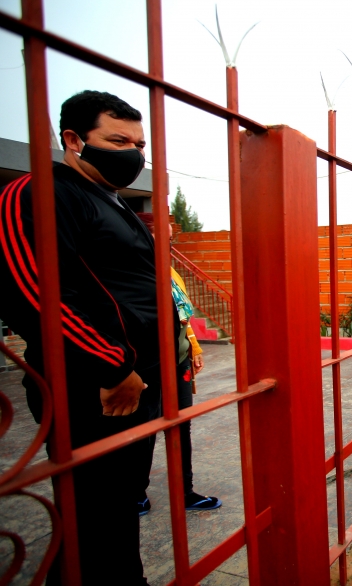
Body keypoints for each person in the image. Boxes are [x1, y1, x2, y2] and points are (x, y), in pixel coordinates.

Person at [0, 90, 172, 584]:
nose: (133, 154)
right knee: (93, 511)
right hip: (93, 386)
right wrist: (113, 365)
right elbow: (32, 291)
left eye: (139, 144)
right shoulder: (39, 193)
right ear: (74, 139)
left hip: (137, 383)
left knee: (115, 508)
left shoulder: (111, 204)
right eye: (117, 140)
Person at [135, 212, 222, 514]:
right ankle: (136, 492)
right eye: (163, 237)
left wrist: (193, 346)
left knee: (180, 426)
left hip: (179, 361)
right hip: (146, 366)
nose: (169, 244)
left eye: (172, 239)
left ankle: (185, 491)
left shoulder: (172, 273)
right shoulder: (133, 271)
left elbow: (183, 314)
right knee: (144, 429)